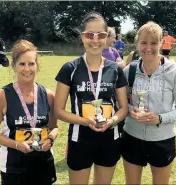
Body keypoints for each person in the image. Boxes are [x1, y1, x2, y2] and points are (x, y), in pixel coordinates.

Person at [54, 12, 128, 184]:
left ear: (106, 37)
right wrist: (86, 121)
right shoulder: (69, 68)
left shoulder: (115, 70)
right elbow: (58, 111)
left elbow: (123, 108)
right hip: (80, 139)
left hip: (110, 138)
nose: (95, 40)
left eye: (100, 35)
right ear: (82, 37)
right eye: (89, 35)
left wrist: (111, 121)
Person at [122, 21, 176, 184]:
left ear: (161, 43)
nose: (148, 48)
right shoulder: (128, 71)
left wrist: (160, 118)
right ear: (137, 44)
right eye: (143, 43)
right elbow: (122, 104)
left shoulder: (175, 72)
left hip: (163, 139)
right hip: (132, 136)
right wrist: (132, 109)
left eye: (153, 43)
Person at [0, 40, 58, 185]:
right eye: (22, 64)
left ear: (37, 66)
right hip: (14, 165)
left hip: (43, 162)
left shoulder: (48, 94)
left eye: (31, 63)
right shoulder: (1, 96)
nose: (27, 69)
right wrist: (16, 144)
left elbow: (54, 127)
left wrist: (50, 139)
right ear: (14, 66)